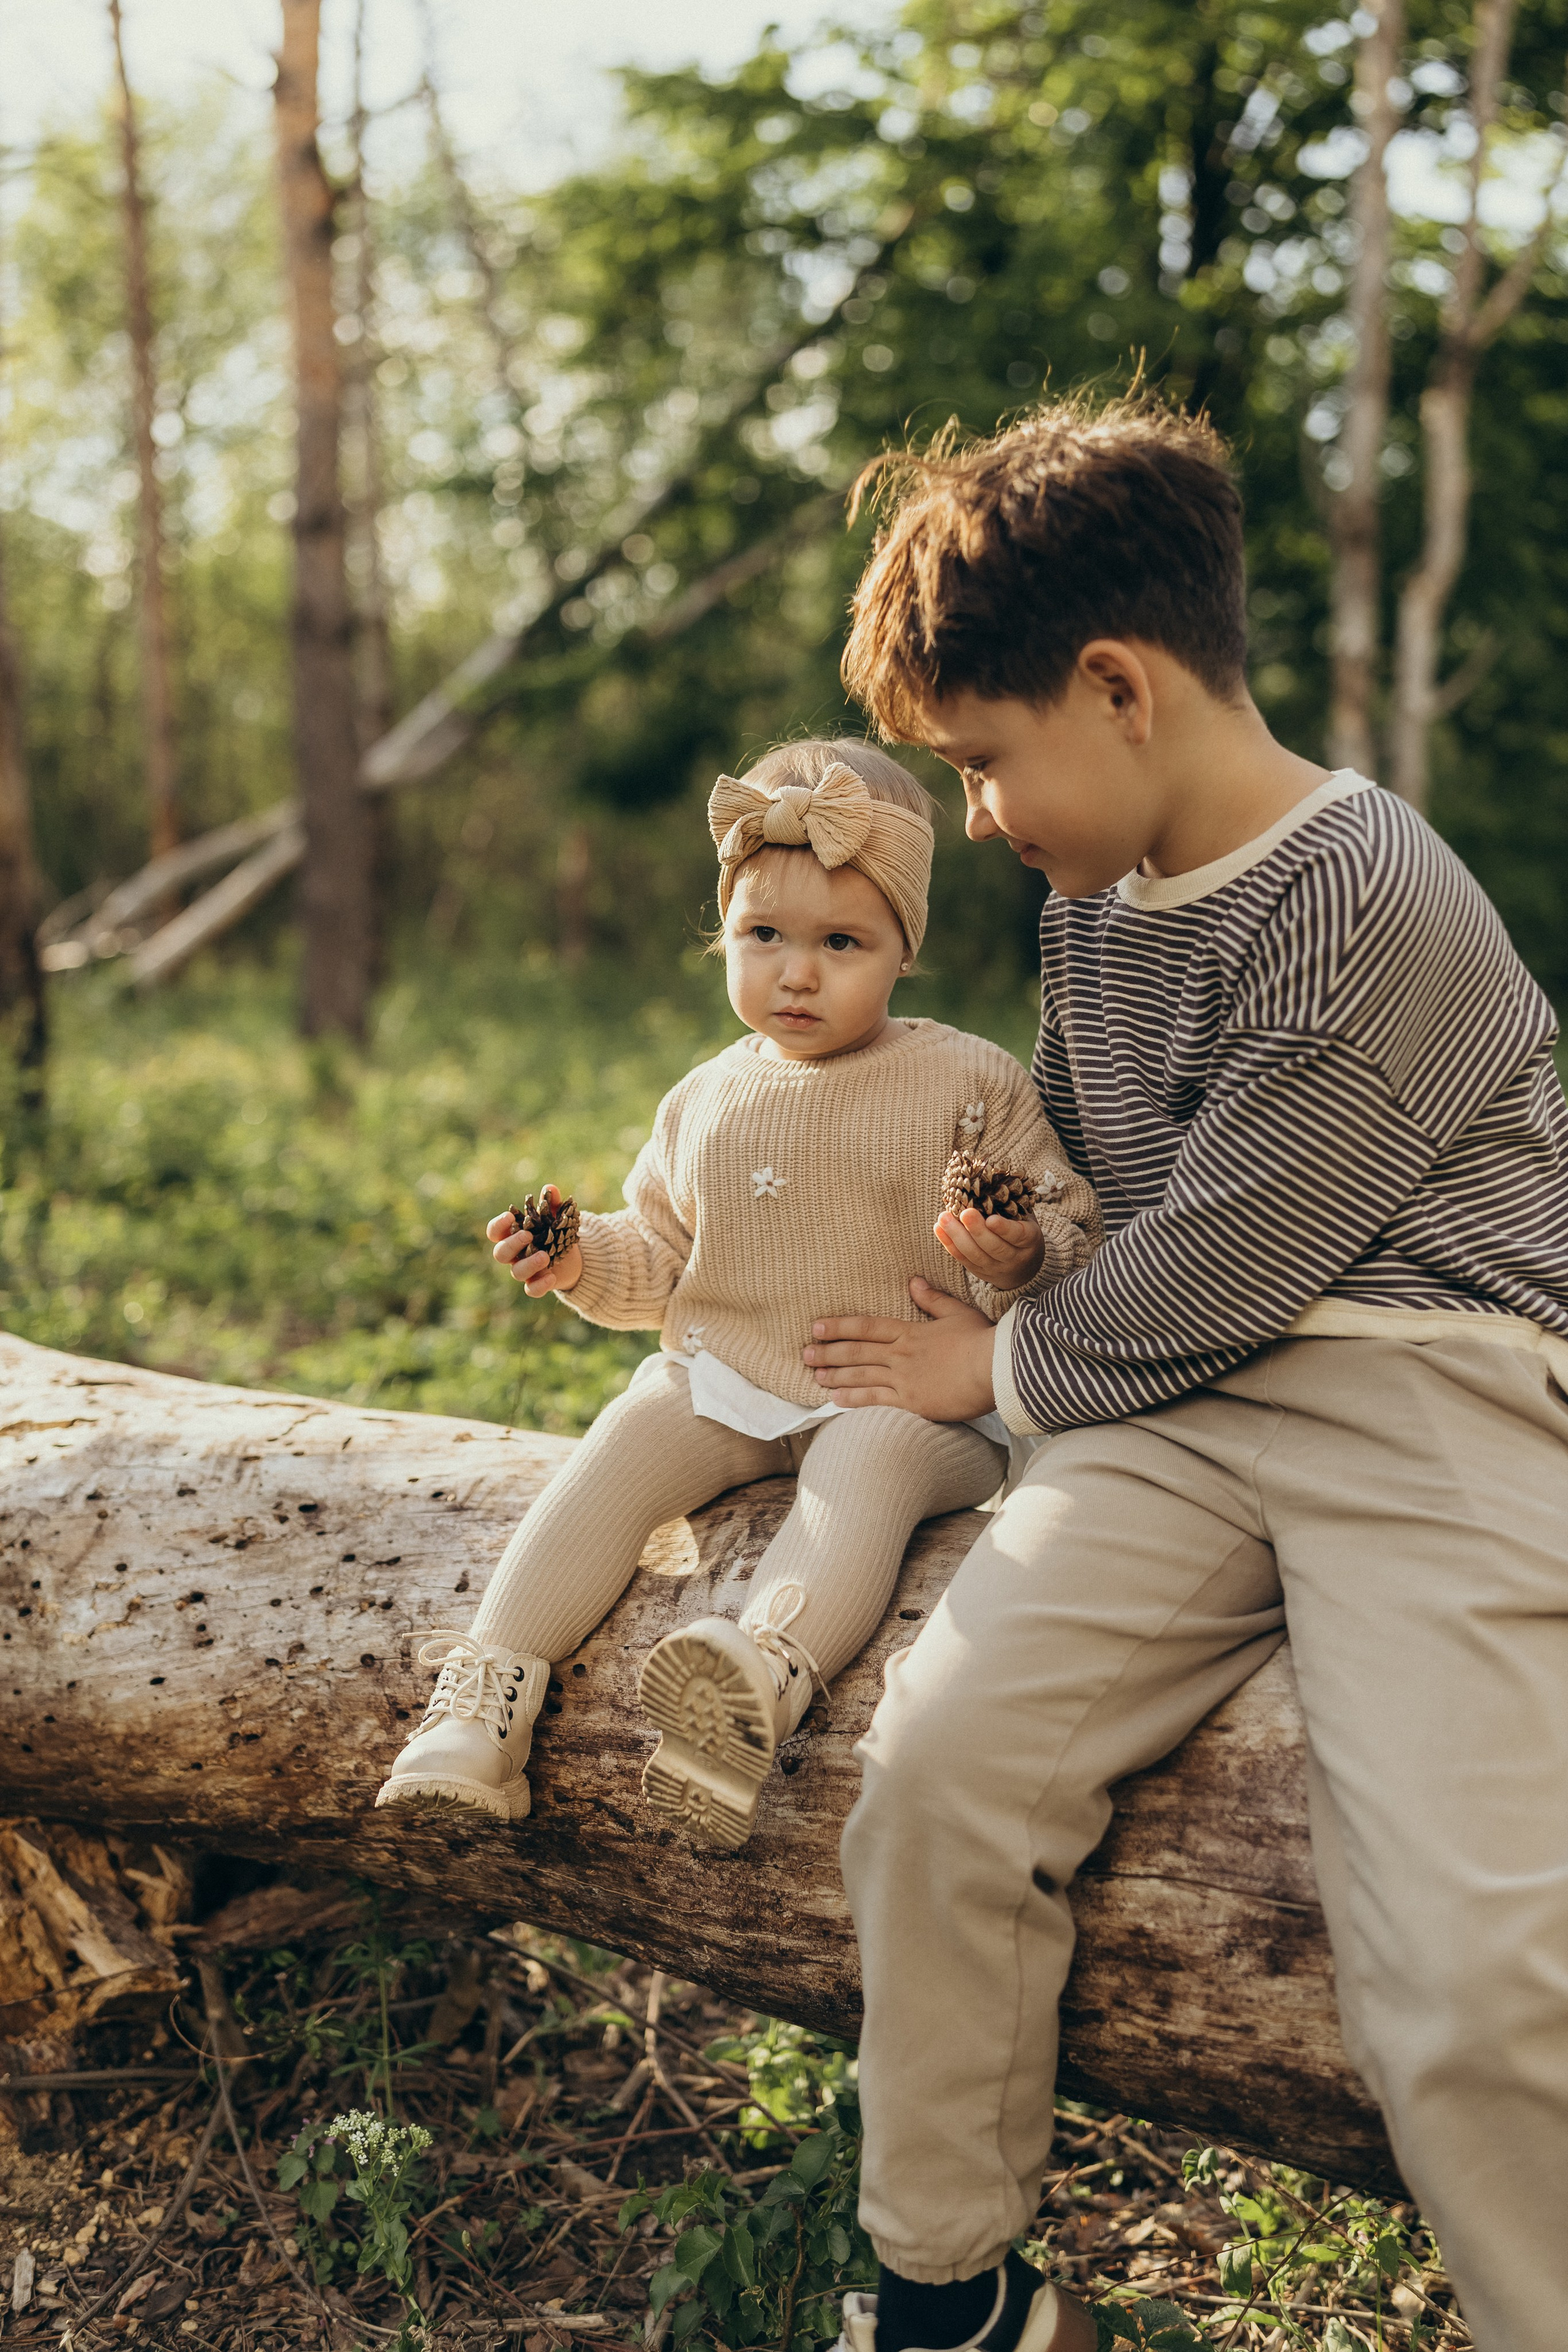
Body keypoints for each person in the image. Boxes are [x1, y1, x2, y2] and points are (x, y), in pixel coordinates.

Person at [807, 398, 1568, 2352]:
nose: (982, 815)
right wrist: (1028, 1244)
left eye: (985, 760)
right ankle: (956, 2289)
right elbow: (1134, 1209)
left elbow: (1235, 1257)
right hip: (1169, 1410)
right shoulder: (1097, 906)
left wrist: (1000, 1364)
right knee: (941, 1772)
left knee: (1473, 1971)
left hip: (1433, 1388)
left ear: (1120, 688)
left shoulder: (1369, 892)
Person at [375, 736, 1098, 1852]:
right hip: (731, 1379)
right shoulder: (705, 1099)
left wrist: (1016, 1258)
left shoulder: (967, 1080)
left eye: (840, 943)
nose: (796, 973)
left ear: (905, 949)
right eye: (765, 936)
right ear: (727, 930)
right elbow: (661, 1255)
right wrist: (579, 1261)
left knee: (860, 1472)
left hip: (909, 1397)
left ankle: (757, 1682)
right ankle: (483, 1701)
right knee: (624, 1443)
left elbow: (1068, 1225)